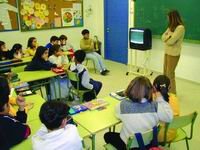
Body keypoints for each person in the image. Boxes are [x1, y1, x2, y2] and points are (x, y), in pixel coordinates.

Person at [104, 76, 173, 150]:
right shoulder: (155, 105)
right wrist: (159, 98)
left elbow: (116, 114)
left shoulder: (123, 105)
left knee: (107, 135)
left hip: (129, 146)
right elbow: (169, 118)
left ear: (130, 88)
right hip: (148, 144)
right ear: (150, 90)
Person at [0, 76, 31, 149]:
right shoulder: (5, 122)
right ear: (5, 105)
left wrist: (21, 107)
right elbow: (26, 130)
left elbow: (17, 123)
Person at [162, 10, 185, 94]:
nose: (167, 19)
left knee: (170, 74)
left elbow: (171, 41)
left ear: (173, 18)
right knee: (165, 73)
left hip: (174, 54)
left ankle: (172, 94)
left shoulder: (180, 28)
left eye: (168, 17)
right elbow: (162, 37)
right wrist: (169, 36)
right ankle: (165, 91)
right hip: (167, 52)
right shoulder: (170, 27)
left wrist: (167, 37)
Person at [153, 75, 180, 142]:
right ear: (169, 87)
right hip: (173, 133)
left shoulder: (153, 99)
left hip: (159, 135)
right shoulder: (174, 98)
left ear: (154, 87)